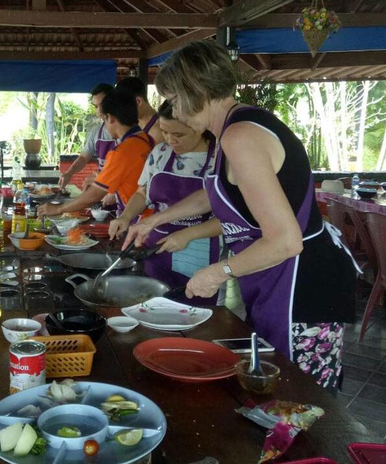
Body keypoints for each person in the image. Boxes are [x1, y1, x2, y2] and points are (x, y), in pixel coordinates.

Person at [124, 40, 356, 391]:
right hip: (275, 278)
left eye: (173, 99)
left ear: (196, 90)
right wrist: (155, 219)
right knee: (274, 391)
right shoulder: (232, 129)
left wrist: (218, 272)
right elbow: (219, 193)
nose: (173, 110)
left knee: (301, 397)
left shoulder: (240, 137)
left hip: (301, 284)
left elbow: (286, 240)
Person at [108, 100, 220, 304]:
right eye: (165, 132)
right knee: (153, 307)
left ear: (200, 126)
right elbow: (143, 193)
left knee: (193, 316)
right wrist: (126, 216)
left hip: (200, 257)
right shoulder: (160, 153)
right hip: (156, 250)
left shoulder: (220, 158)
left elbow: (229, 218)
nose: (170, 140)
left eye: (178, 135)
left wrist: (187, 234)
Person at [40, 89, 152, 218]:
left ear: (110, 117)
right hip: (149, 217)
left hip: (137, 220)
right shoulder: (148, 139)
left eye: (104, 118)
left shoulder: (121, 152)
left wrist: (59, 209)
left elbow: (94, 196)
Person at [59, 83, 117, 190]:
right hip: (101, 188)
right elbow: (83, 158)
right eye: (96, 106)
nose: (99, 111)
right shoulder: (96, 132)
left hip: (118, 190)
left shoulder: (127, 134)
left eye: (102, 105)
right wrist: (69, 173)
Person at [115, 76, 164, 145]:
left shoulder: (157, 131)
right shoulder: (134, 123)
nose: (123, 110)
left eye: (125, 106)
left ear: (138, 101)